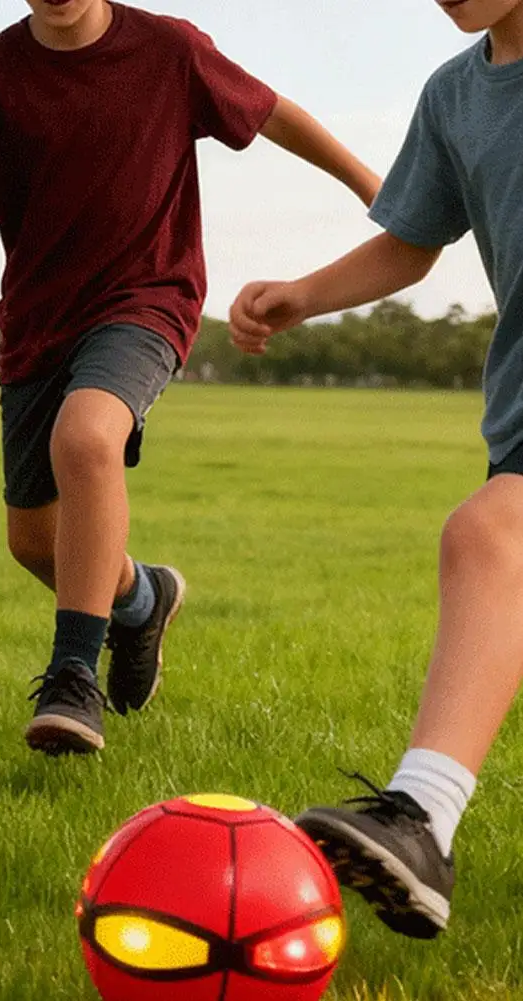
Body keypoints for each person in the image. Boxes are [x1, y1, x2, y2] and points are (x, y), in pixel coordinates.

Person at [0, 0, 379, 756]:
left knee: (86, 436)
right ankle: (140, 597)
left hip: (146, 297)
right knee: (32, 542)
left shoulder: (168, 50)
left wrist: (369, 184)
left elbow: (272, 113)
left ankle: (72, 676)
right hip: (36, 322)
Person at [228, 0, 523, 942]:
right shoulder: (453, 98)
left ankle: (420, 815)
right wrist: (302, 296)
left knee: (487, 534)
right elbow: (411, 238)